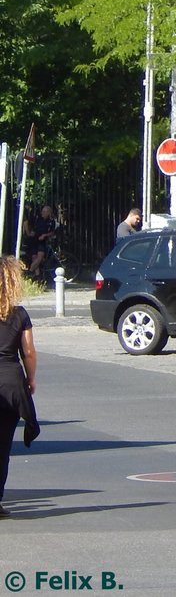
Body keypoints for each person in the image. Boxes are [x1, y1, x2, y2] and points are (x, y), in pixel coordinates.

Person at [0, 254, 40, 516]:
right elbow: (29, 352)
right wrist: (31, 379)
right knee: (2, 447)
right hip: (11, 382)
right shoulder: (20, 314)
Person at [26, 205, 57, 280]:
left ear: (49, 213)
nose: (43, 213)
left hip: (42, 241)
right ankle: (38, 276)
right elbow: (25, 223)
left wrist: (44, 235)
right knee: (34, 257)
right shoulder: (37, 218)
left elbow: (52, 232)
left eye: (45, 212)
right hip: (33, 240)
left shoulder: (51, 221)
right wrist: (28, 233)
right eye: (42, 211)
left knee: (40, 257)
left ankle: (30, 272)